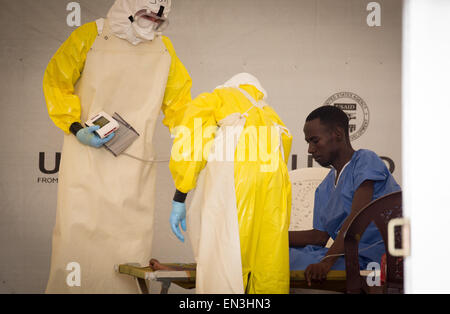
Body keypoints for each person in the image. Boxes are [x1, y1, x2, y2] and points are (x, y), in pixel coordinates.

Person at [42, 0, 192, 293]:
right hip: (87, 158)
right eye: (148, 16)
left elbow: (181, 107)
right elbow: (56, 81)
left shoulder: (164, 51)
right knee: (78, 243)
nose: (153, 25)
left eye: (159, 20)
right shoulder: (91, 36)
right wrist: (76, 128)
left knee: (128, 250)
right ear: (130, 7)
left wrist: (191, 142)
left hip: (134, 167)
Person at [167, 73, 293, 294]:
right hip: (274, 190)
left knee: (225, 261)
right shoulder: (270, 114)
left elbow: (190, 142)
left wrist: (180, 195)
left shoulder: (217, 98)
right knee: (268, 263)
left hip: (235, 186)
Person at [289, 106, 401, 286]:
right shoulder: (324, 187)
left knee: (285, 262)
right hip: (346, 257)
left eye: (315, 140)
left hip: (377, 261)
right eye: (308, 142)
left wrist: (326, 262)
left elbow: (357, 216)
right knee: (277, 256)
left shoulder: (365, 160)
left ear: (338, 134)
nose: (310, 149)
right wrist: (271, 237)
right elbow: (318, 237)